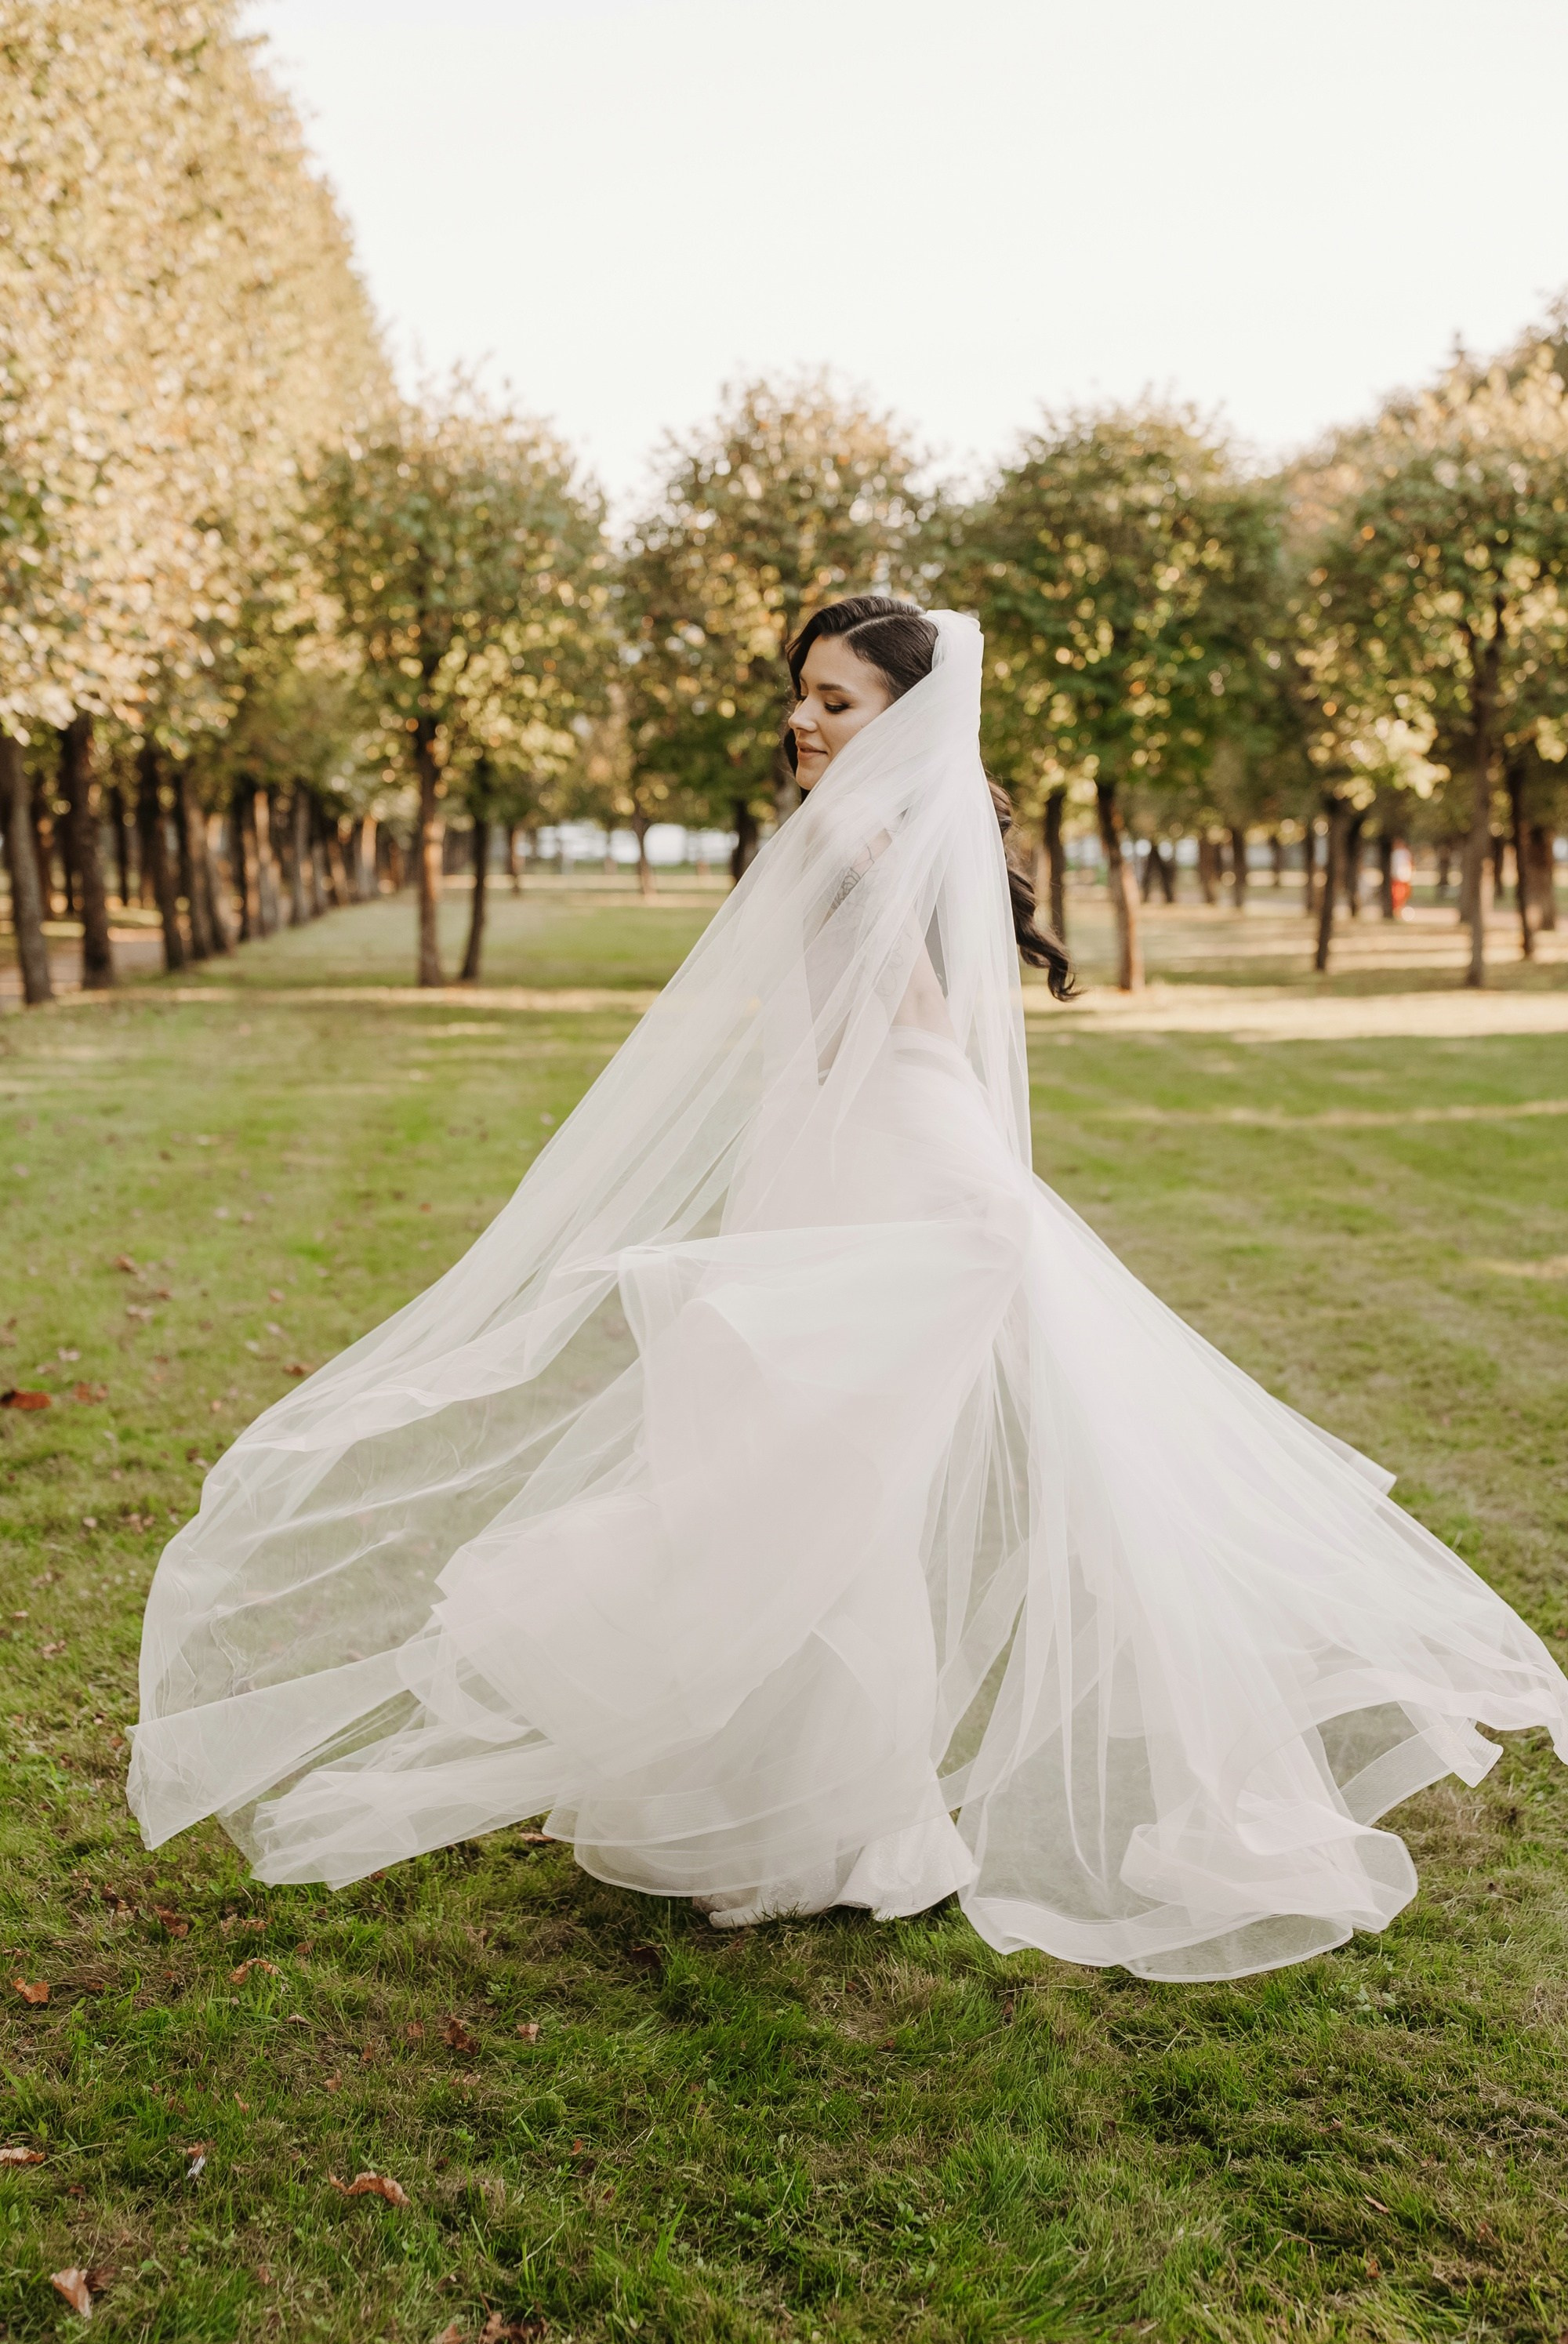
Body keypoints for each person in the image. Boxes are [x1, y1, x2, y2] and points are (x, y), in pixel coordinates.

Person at [128, 600, 1568, 1982]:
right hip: (829, 1184)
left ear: (902, 717)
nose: (802, 718)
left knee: (797, 1507)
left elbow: (918, 1035)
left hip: (892, 1191)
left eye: (836, 698)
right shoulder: (860, 827)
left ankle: (809, 1822)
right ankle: (819, 1821)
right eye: (801, 691)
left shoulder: (863, 837)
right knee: (822, 1518)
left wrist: (960, 1207)